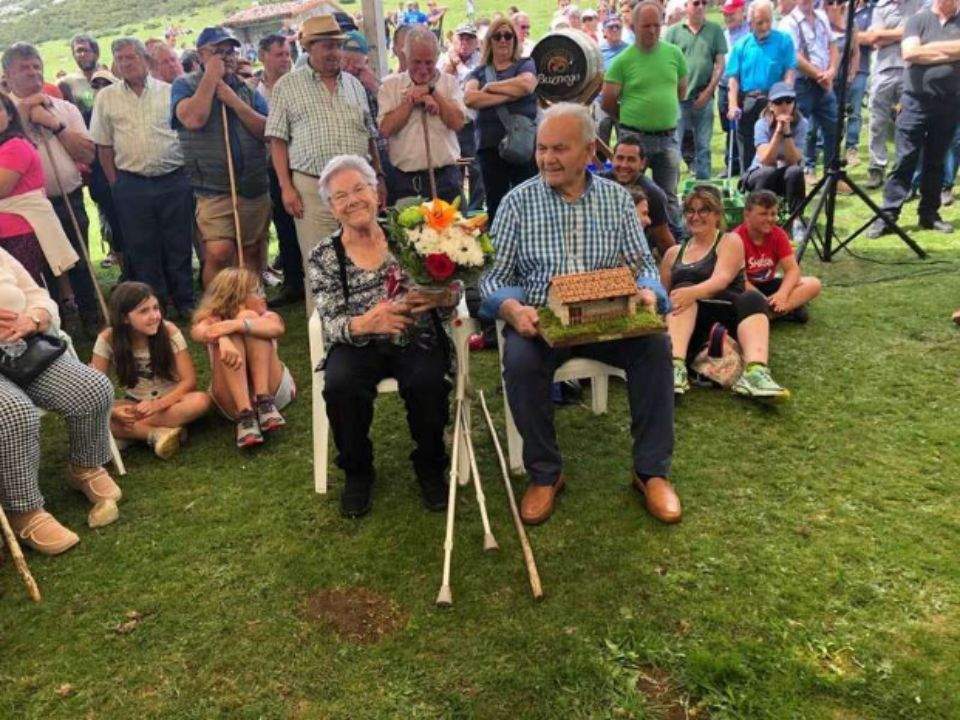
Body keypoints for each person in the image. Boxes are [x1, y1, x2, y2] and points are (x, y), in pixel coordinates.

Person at [479, 103, 680, 526]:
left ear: (590, 152)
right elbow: (493, 277)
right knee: (519, 360)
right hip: (542, 322)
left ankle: (650, 472)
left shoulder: (617, 201)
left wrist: (648, 290)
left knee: (656, 347)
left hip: (608, 318)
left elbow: (643, 263)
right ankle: (545, 474)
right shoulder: (517, 203)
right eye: (542, 149)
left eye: (559, 149)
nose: (547, 158)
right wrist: (513, 308)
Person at [308, 155, 458, 518]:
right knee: (341, 385)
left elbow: (453, 291)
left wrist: (440, 297)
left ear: (376, 191)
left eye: (359, 188)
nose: (353, 200)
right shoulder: (324, 255)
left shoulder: (411, 234)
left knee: (428, 381)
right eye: (341, 196)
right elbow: (329, 321)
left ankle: (430, 465)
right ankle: (358, 472)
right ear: (331, 207)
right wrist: (366, 322)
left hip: (413, 331)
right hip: (359, 340)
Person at [0, 247, 119, 555]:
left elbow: (38, 295)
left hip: (23, 348)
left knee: (93, 388)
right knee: (14, 413)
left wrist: (34, 318)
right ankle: (23, 511)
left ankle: (85, 466)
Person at [266, 15, 384, 315]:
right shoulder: (287, 86)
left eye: (337, 45)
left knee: (363, 258)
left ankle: (366, 325)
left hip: (358, 189)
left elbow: (370, 135)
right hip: (311, 188)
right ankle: (324, 338)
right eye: (326, 45)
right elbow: (277, 140)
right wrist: (286, 187)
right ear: (309, 48)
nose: (333, 52)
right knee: (319, 263)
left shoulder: (355, 85)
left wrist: (379, 177)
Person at [91, 38, 196, 317]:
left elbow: (185, 134)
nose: (126, 63)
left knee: (179, 243)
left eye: (131, 57)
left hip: (173, 180)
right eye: (120, 59)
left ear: (145, 60)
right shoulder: (106, 97)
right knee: (142, 248)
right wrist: (116, 184)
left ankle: (185, 300)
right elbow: (103, 146)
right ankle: (156, 305)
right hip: (131, 184)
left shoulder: (169, 91)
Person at [2, 42, 100, 335]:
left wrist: (54, 124)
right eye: (24, 67)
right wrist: (23, 113)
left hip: (67, 198)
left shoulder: (65, 108)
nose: (33, 72)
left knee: (78, 260)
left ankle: (92, 317)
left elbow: (87, 154)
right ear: (7, 74)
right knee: (40, 271)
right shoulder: (4, 114)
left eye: (36, 65)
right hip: (24, 213)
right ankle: (54, 323)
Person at [661, 186, 789, 402]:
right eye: (690, 211)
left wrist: (690, 292)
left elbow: (721, 280)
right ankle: (676, 367)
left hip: (727, 313)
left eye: (704, 210)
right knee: (681, 296)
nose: (696, 216)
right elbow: (663, 295)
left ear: (717, 215)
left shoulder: (729, 241)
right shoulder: (673, 253)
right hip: (684, 323)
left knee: (753, 297)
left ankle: (756, 372)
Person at [171, 26, 271, 288]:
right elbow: (194, 118)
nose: (226, 57)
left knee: (249, 251)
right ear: (202, 55)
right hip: (213, 188)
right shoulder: (184, 85)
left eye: (230, 52)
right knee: (218, 251)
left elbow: (267, 131)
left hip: (251, 185)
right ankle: (214, 310)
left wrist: (233, 101)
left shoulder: (247, 90)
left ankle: (249, 305)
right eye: (218, 52)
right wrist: (211, 80)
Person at [868, 0, 960, 238]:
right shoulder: (918, 19)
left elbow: (920, 52)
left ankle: (929, 214)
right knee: (905, 159)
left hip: (949, 103)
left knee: (936, 161)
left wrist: (928, 50)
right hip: (915, 102)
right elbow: (910, 53)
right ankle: (888, 214)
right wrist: (952, 51)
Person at [91, 282, 211, 460]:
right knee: (94, 414)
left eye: (156, 308)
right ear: (124, 318)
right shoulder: (108, 338)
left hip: (171, 402)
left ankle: (128, 434)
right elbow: (95, 388)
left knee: (201, 400)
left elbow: (189, 381)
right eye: (144, 311)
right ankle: (156, 434)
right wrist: (114, 412)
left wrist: (158, 405)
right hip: (135, 403)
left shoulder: (169, 330)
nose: (154, 316)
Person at [602, 1, 687, 224]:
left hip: (667, 137)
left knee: (668, 195)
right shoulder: (622, 61)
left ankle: (672, 245)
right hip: (634, 138)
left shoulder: (674, 54)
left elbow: (681, 90)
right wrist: (628, 118)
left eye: (656, 26)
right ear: (634, 26)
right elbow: (608, 101)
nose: (652, 31)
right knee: (628, 192)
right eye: (646, 26)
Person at [191, 267, 296, 448]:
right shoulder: (211, 320)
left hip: (274, 391)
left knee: (249, 320)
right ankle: (245, 413)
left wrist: (235, 324)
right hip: (232, 402)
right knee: (231, 329)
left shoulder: (268, 315)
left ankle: (264, 402)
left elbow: (277, 328)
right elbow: (199, 332)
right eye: (256, 292)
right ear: (236, 296)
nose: (263, 295)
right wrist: (223, 337)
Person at [379, 26, 467, 205]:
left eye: (429, 62)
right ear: (406, 57)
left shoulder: (450, 84)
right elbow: (385, 129)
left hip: (446, 182)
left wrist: (432, 92)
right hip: (407, 185)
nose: (423, 69)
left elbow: (458, 123)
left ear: (437, 57)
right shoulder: (390, 86)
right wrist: (411, 100)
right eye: (416, 62)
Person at [464, 16, 539, 222]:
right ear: (490, 41)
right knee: (496, 206)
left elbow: (527, 85)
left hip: (522, 146)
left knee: (528, 206)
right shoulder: (478, 72)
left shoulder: (525, 63)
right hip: (490, 148)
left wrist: (490, 88)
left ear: (515, 40)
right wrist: (511, 93)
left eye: (508, 35)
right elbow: (470, 98)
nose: (503, 40)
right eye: (497, 36)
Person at [255, 34, 303, 309]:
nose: (285, 59)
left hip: (300, 161)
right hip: (272, 166)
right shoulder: (254, 90)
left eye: (287, 54)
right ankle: (294, 282)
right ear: (263, 56)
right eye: (279, 54)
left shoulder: (299, 84)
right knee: (284, 225)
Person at [860, 0, 925, 189]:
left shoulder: (918, 4)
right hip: (883, 70)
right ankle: (876, 167)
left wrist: (884, 34)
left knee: (909, 122)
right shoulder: (881, 6)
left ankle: (904, 169)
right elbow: (874, 39)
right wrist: (906, 32)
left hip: (911, 69)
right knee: (877, 121)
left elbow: (921, 33)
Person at [725, 0, 797, 172]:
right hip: (749, 100)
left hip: (774, 101)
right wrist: (733, 104)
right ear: (750, 23)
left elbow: (789, 71)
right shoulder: (741, 45)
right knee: (748, 147)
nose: (765, 26)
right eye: (760, 22)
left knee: (774, 144)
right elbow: (733, 79)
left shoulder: (784, 40)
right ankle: (748, 180)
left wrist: (785, 98)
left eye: (768, 21)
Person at [735, 190, 821, 321]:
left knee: (813, 284)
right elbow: (742, 281)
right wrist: (764, 300)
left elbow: (792, 270)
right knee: (740, 298)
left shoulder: (778, 234)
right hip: (745, 288)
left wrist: (782, 294)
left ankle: (770, 314)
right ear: (747, 215)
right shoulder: (736, 239)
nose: (769, 219)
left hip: (769, 284)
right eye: (763, 214)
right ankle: (785, 310)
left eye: (773, 214)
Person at [664, 0, 727, 181]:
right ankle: (671, 189)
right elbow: (666, 63)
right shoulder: (673, 32)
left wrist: (708, 92)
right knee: (674, 145)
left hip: (704, 96)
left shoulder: (715, 30)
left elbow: (720, 64)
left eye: (704, 3)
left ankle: (704, 186)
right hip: (677, 99)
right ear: (686, 7)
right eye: (696, 3)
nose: (700, 6)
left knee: (703, 147)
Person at [779, 0, 840, 177]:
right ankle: (801, 173)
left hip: (825, 84)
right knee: (800, 129)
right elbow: (795, 56)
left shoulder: (822, 17)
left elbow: (833, 46)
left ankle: (832, 174)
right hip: (802, 85)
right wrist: (819, 75)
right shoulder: (788, 22)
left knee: (833, 128)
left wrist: (831, 71)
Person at [0, 92, 47, 282]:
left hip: (18, 231)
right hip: (8, 232)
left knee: (26, 289)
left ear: (10, 115)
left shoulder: (15, 146)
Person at [741, 82, 808, 213]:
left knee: (795, 171)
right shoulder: (761, 124)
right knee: (768, 172)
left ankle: (797, 219)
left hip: (784, 173)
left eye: (788, 101)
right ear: (771, 105)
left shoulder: (802, 124)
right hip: (759, 173)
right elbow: (766, 160)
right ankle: (759, 216)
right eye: (778, 102)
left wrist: (787, 132)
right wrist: (778, 132)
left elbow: (793, 161)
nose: (784, 106)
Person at [602, 136, 677, 254]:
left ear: (642, 164)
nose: (624, 165)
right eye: (620, 158)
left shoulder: (653, 194)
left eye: (631, 160)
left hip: (637, 253)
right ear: (612, 159)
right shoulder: (598, 184)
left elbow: (663, 239)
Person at [440, 22, 485, 214]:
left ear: (476, 42)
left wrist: (458, 65)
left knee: (476, 168)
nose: (465, 43)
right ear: (454, 40)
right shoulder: (444, 60)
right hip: (450, 124)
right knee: (452, 168)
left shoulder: (480, 62)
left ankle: (474, 210)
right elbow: (438, 84)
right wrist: (451, 65)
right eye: (461, 38)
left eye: (469, 38)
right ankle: (455, 210)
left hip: (472, 123)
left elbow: (472, 81)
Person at [718, 0, 750, 175]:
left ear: (741, 12)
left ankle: (741, 164)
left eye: (731, 13)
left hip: (742, 86)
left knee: (743, 126)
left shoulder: (749, 33)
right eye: (725, 14)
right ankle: (732, 163)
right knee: (728, 125)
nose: (728, 17)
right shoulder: (723, 35)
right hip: (724, 86)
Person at [845, 0, 872, 168]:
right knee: (833, 113)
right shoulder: (837, 6)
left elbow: (872, 38)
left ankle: (851, 149)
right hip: (835, 69)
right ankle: (824, 149)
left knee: (854, 113)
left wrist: (847, 34)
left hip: (860, 69)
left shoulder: (872, 11)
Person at [597, 17, 630, 148]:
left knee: (625, 140)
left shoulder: (630, 50)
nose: (615, 30)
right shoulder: (598, 51)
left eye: (618, 27)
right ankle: (601, 167)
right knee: (601, 136)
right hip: (602, 101)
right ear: (604, 31)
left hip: (624, 101)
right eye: (611, 27)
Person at [62, 34, 107, 123]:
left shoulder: (109, 78)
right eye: (78, 51)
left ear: (96, 54)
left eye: (86, 50)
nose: (82, 55)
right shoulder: (67, 83)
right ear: (74, 55)